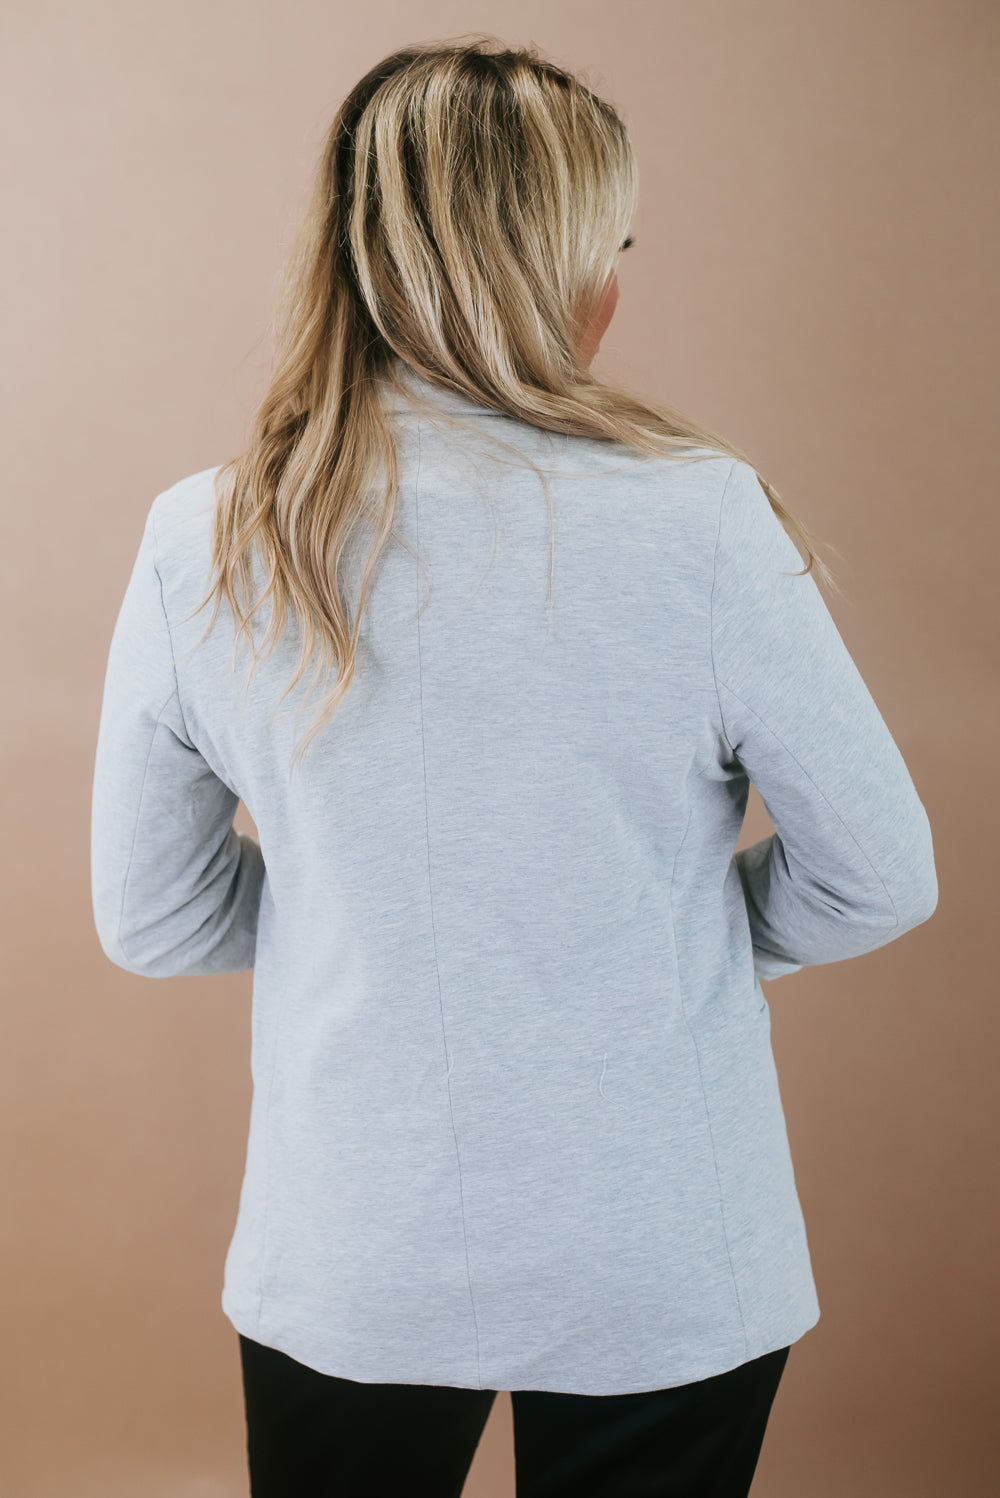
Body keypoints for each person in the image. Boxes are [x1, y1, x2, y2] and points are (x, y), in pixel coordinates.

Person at [90, 34, 938, 1498]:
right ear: (560, 265)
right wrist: (655, 939)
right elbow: (880, 876)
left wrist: (370, 925)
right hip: (663, 1246)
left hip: (352, 1247)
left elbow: (152, 919)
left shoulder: (203, 538)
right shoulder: (702, 519)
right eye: (614, 246)